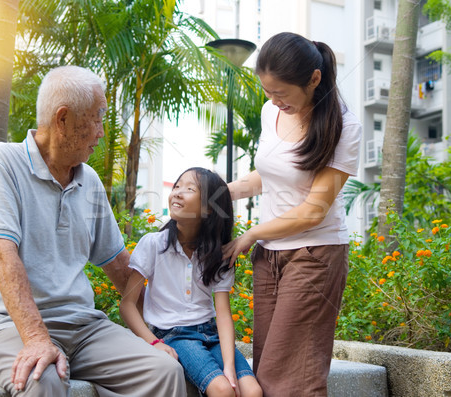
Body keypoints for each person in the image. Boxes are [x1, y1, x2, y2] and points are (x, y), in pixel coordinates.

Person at [0, 65, 186, 397]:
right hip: (4, 327)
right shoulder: (0, 162)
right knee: (40, 377)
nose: (102, 132)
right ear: (62, 119)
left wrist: (172, 323)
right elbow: (2, 256)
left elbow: (120, 266)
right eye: (96, 119)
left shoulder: (87, 179)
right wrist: (36, 338)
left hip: (83, 329)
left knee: (163, 370)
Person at [222, 32, 362, 396]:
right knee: (267, 369)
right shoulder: (272, 113)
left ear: (314, 79)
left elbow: (314, 212)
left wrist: (250, 234)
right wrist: (222, 191)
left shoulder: (345, 127)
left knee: (292, 379)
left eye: (281, 92)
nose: (273, 100)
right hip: (270, 256)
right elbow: (270, 175)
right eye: (268, 92)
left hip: (313, 255)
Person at [120, 167, 263, 397]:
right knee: (222, 390)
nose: (177, 192)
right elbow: (126, 305)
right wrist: (155, 343)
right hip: (175, 335)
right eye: (177, 186)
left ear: (208, 208)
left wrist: (229, 366)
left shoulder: (218, 254)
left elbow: (224, 315)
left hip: (211, 334)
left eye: (189, 189)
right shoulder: (153, 244)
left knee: (252, 391)